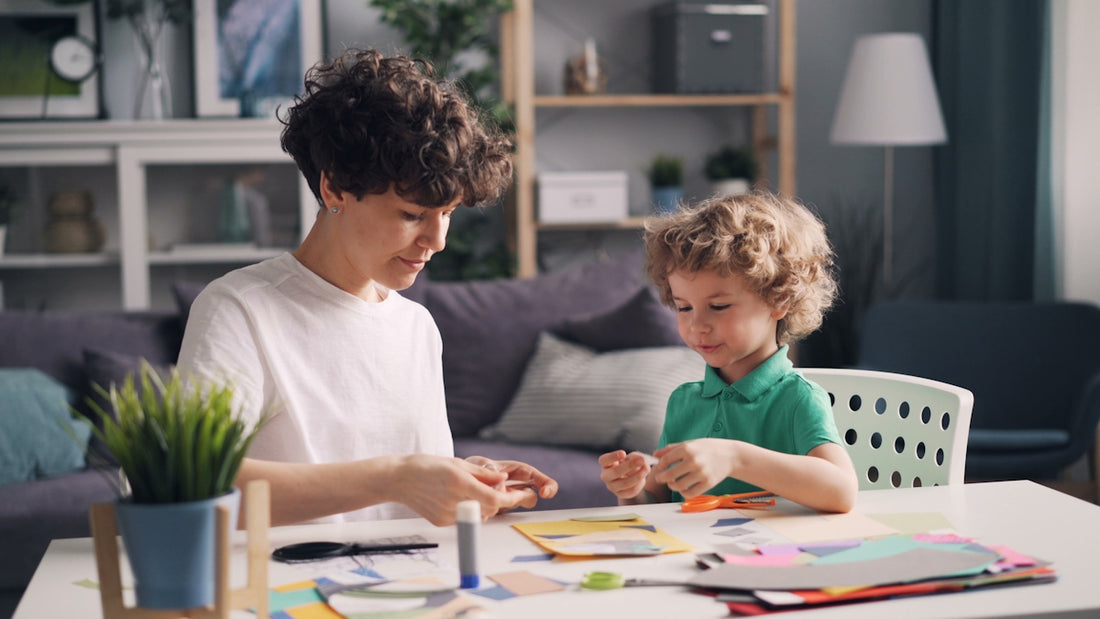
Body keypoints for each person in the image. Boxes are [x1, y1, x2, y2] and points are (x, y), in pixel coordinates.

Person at [177, 48, 558, 527]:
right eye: (412, 215)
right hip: (295, 594)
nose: (436, 241)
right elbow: (191, 483)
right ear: (335, 188)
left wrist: (463, 479)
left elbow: (402, 488)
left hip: (415, 590)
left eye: (448, 214)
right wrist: (396, 477)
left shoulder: (416, 325)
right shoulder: (239, 310)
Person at [598, 193, 857, 513]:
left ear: (779, 300)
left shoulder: (797, 398)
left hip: (774, 558)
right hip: (695, 558)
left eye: (718, 306)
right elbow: (660, 503)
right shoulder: (684, 401)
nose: (698, 325)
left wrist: (734, 458)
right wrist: (632, 491)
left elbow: (841, 491)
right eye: (683, 307)